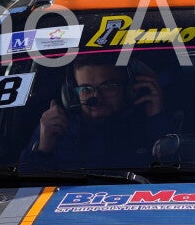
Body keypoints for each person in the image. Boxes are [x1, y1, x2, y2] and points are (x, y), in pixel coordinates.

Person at [25, 61, 170, 169]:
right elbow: (25, 188)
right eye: (86, 89)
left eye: (107, 87)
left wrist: (157, 121)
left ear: (128, 89)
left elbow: (172, 175)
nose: (96, 98)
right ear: (72, 95)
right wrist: (43, 149)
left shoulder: (147, 125)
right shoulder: (55, 128)